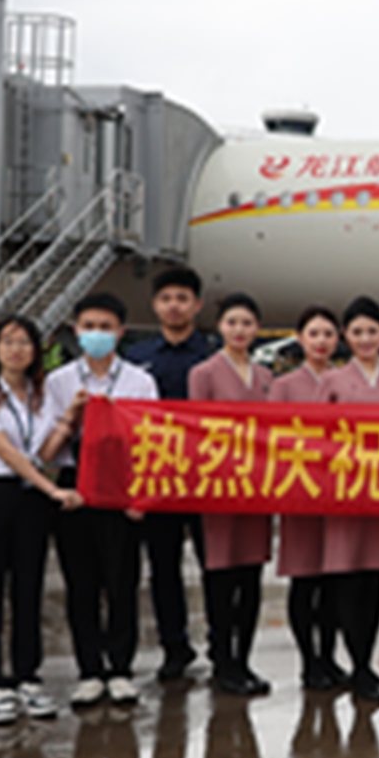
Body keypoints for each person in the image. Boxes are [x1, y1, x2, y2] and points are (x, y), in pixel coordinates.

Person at [0, 314, 84, 725]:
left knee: (28, 588)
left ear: (37, 350)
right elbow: (6, 452)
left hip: (30, 500)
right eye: (8, 342)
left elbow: (44, 451)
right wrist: (52, 489)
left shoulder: (42, 395)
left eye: (24, 342)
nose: (16, 350)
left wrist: (70, 416)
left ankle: (27, 675)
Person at [43, 291, 158, 704]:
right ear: (76, 331)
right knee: (82, 583)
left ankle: (121, 668)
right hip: (76, 487)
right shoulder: (59, 382)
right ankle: (89, 669)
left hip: (122, 486)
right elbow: (46, 449)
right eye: (89, 327)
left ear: (121, 332)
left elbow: (152, 441)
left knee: (123, 581)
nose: (97, 334)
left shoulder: (140, 381)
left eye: (105, 327)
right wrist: (72, 415)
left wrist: (141, 496)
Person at [125, 266, 221, 683]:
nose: (174, 306)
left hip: (207, 478)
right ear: (155, 305)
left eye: (182, 299)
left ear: (197, 305)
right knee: (163, 567)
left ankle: (221, 644)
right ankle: (174, 646)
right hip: (158, 478)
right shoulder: (136, 357)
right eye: (166, 299)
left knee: (214, 564)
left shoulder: (215, 354)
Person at [322, 296, 379, 702]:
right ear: (346, 336)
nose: (365, 339)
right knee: (348, 579)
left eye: (372, 331)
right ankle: (357, 667)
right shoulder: (333, 381)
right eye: (357, 332)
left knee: (376, 581)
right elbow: (317, 436)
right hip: (346, 494)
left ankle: (366, 663)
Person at [189, 293, 277, 696]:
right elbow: (197, 429)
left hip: (257, 488)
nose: (239, 330)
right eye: (232, 323)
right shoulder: (204, 373)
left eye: (246, 323)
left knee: (251, 578)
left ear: (257, 329)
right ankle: (223, 661)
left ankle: (244, 659)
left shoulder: (266, 376)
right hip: (219, 488)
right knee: (221, 578)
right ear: (219, 327)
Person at [271, 306, 346, 691]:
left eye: (328, 334)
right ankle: (308, 661)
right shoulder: (283, 386)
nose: (321, 342)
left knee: (333, 584)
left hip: (338, 494)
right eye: (313, 334)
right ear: (299, 338)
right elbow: (271, 440)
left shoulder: (345, 382)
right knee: (304, 581)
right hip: (300, 492)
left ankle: (329, 657)